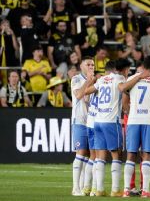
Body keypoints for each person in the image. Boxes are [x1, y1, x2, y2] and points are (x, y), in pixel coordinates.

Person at [84, 59, 133, 197]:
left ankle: (99, 189)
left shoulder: (103, 79)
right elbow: (123, 92)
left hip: (98, 121)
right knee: (117, 154)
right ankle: (116, 189)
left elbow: (87, 91)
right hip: (111, 121)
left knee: (100, 156)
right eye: (128, 70)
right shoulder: (121, 79)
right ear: (124, 69)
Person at [122, 56, 150, 198]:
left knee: (130, 155)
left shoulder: (133, 78)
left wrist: (129, 111)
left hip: (133, 121)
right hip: (149, 120)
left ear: (143, 65)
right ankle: (145, 190)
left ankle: (126, 190)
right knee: (146, 155)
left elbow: (124, 98)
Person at [70, 56, 95, 196]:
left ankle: (83, 186)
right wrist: (89, 82)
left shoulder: (95, 80)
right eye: (88, 64)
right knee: (80, 153)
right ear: (81, 66)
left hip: (91, 122)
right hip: (79, 120)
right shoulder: (76, 79)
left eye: (92, 65)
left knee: (87, 155)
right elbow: (79, 94)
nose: (91, 67)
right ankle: (75, 188)